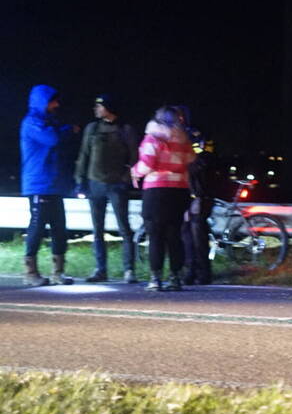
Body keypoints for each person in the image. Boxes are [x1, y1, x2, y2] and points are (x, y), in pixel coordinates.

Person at [74, 93, 140, 283]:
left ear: (109, 108)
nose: (95, 109)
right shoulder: (92, 128)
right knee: (97, 229)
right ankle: (100, 269)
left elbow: (134, 157)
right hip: (95, 184)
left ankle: (129, 270)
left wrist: (125, 178)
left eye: (99, 106)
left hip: (117, 186)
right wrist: (80, 179)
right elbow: (83, 155)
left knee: (124, 228)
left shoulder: (125, 129)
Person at [20, 84, 79, 286]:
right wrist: (67, 129)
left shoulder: (49, 122)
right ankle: (30, 272)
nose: (57, 104)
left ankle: (58, 272)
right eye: (53, 101)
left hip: (54, 184)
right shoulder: (32, 123)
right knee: (37, 227)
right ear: (42, 102)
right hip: (38, 184)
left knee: (59, 229)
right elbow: (52, 139)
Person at [130, 106, 195, 291]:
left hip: (157, 191)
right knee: (175, 235)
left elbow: (147, 164)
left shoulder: (153, 138)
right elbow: (190, 159)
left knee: (156, 235)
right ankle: (175, 277)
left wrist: (134, 172)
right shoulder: (183, 139)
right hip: (179, 191)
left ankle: (155, 278)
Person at [182, 133, 221, 284]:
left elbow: (199, 176)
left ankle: (202, 273)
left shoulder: (203, 158)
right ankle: (191, 271)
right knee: (188, 236)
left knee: (198, 236)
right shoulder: (191, 151)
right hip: (191, 198)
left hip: (200, 199)